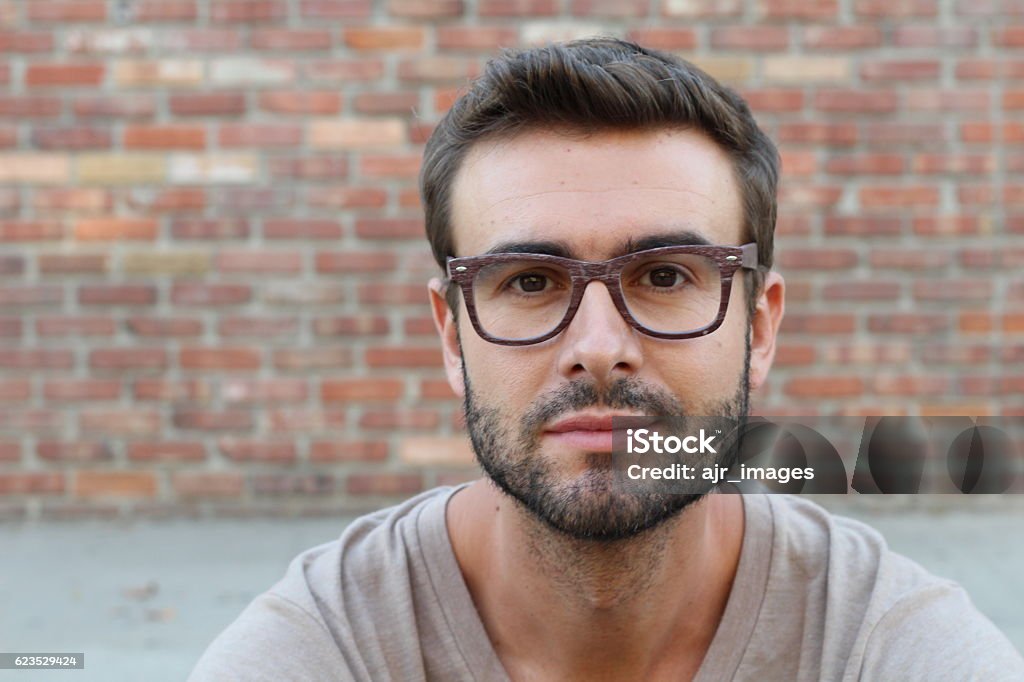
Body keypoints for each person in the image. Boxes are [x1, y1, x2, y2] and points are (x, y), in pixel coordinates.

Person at [190, 38, 1024, 680]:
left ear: (758, 328)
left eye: (664, 276)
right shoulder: (325, 649)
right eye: (528, 281)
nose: (598, 349)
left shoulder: (883, 642)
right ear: (452, 335)